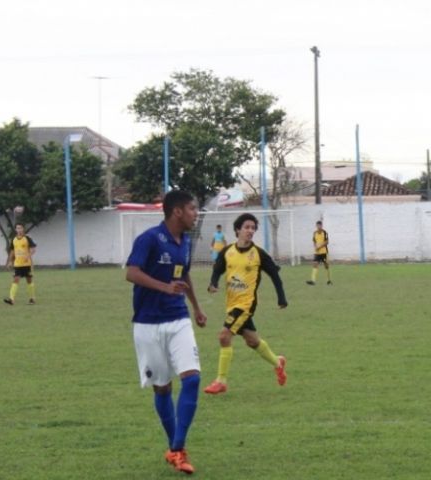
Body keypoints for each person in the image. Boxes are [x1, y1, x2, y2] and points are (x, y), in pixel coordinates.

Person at [125, 190, 208, 474]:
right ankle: (176, 449)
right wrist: (164, 287)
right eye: (193, 208)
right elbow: (131, 272)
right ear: (177, 212)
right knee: (162, 387)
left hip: (178, 318)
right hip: (147, 324)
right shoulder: (149, 238)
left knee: (193, 378)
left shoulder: (185, 242)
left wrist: (196, 307)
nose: (196, 213)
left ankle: (177, 448)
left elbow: (183, 275)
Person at [204, 213, 290, 395]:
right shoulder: (227, 251)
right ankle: (278, 362)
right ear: (238, 230)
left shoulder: (258, 254)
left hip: (245, 304)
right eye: (247, 227)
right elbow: (217, 269)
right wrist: (213, 283)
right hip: (231, 303)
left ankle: (221, 381)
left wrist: (281, 298)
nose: (250, 231)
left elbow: (275, 275)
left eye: (253, 228)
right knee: (252, 341)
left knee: (224, 336)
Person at [3, 223, 37, 305]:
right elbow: (12, 251)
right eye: (17, 228)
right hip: (17, 264)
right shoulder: (14, 240)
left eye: (20, 228)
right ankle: (11, 299)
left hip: (26, 264)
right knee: (16, 280)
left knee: (29, 280)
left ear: (23, 229)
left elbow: (33, 249)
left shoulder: (27, 238)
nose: (19, 230)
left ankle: (32, 298)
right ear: (16, 230)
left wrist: (27, 256)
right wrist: (10, 261)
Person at [306, 220, 332, 286]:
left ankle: (328, 280)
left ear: (321, 226)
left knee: (326, 266)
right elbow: (314, 241)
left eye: (320, 225)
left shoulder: (325, 232)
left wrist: (319, 247)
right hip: (317, 253)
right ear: (316, 226)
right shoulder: (314, 233)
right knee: (315, 264)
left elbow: (327, 242)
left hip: (324, 252)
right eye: (317, 226)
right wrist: (315, 247)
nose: (319, 227)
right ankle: (313, 281)